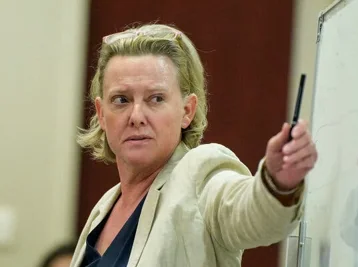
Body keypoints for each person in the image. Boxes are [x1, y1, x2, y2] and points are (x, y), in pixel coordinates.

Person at [71, 23, 318, 267]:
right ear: (101, 114)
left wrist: (277, 184)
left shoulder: (200, 175)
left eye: (155, 99)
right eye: (121, 100)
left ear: (187, 110)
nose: (136, 116)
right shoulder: (103, 209)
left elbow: (251, 213)